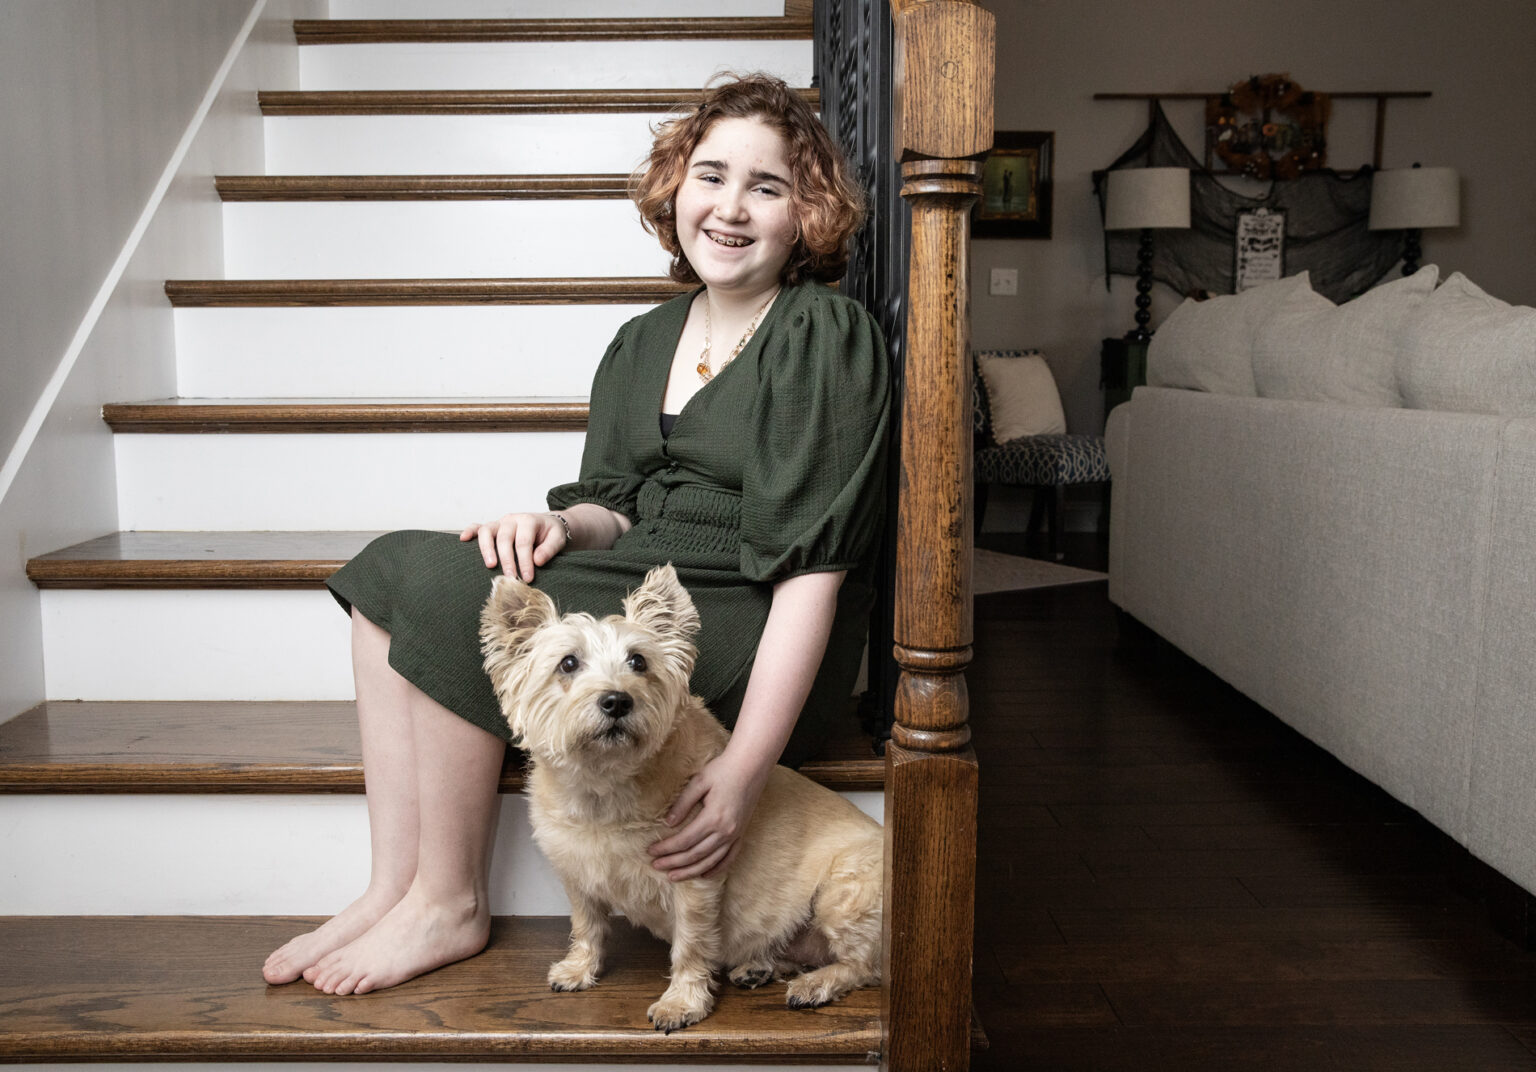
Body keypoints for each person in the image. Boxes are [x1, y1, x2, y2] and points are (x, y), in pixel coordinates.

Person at [261, 73, 890, 997]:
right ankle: (391, 884)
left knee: (442, 592)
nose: (730, 207)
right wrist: (557, 523)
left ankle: (450, 902)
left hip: (744, 606)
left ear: (808, 215)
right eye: (711, 175)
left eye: (768, 186)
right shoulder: (642, 339)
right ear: (676, 188)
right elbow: (616, 506)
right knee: (394, 567)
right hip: (643, 568)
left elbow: (813, 572)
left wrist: (746, 766)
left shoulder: (825, 334)